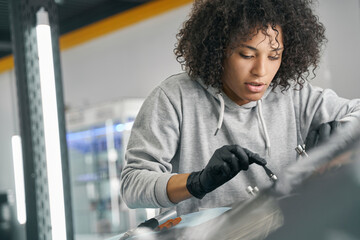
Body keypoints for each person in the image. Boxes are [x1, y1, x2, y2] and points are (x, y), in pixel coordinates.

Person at [120, 0, 360, 216]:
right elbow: (133, 185)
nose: (261, 71)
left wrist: (344, 130)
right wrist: (197, 182)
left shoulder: (295, 96)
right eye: (246, 55)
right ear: (219, 49)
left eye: (274, 56)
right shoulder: (174, 98)